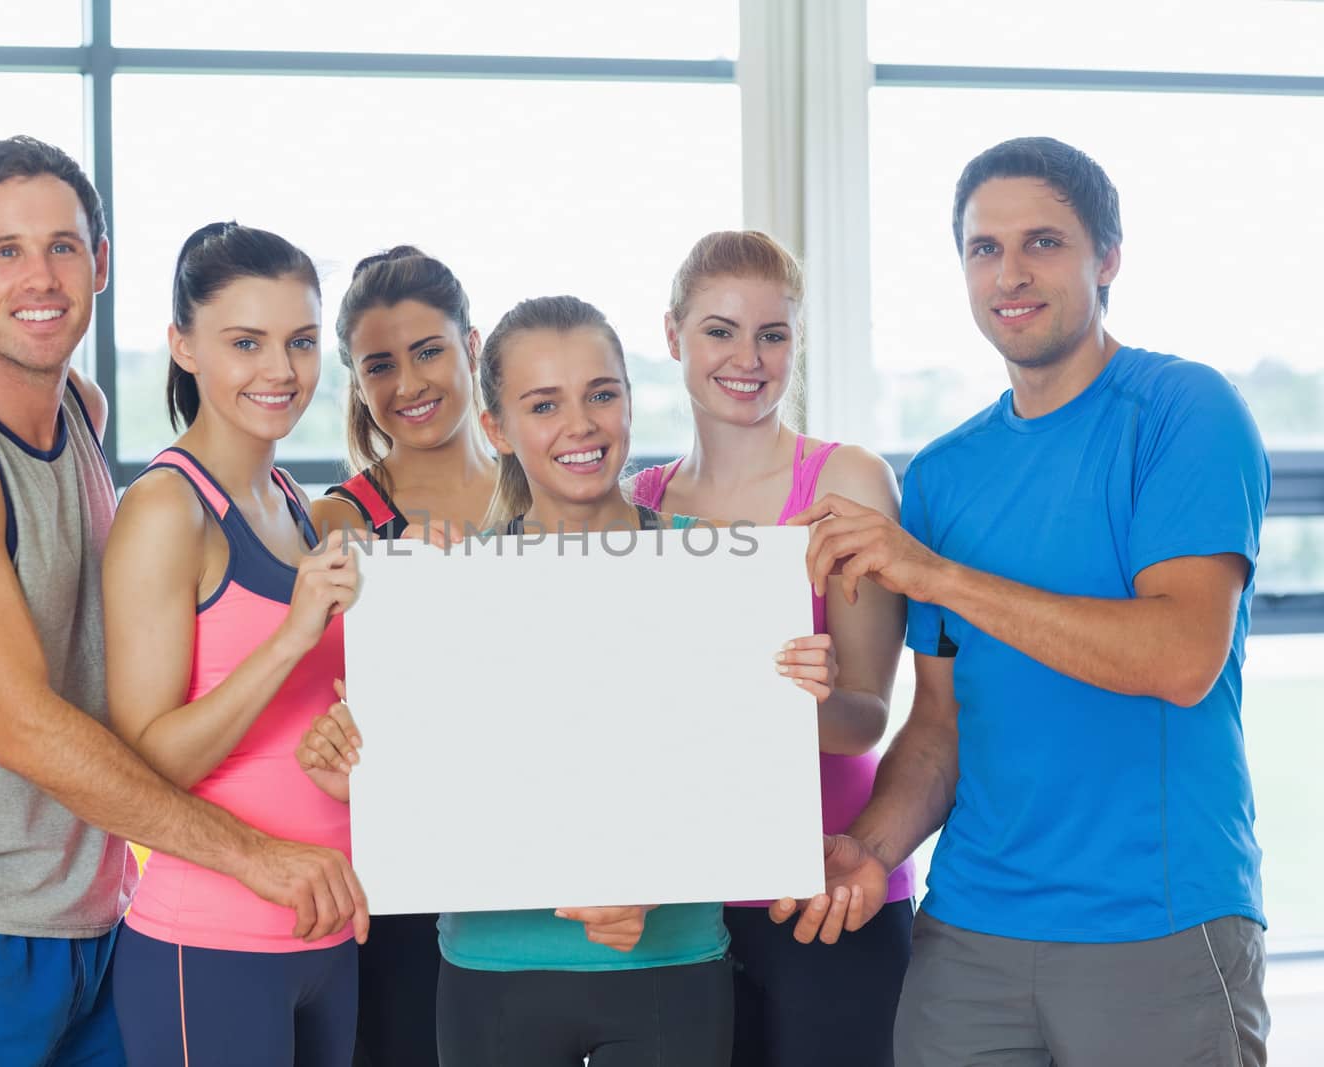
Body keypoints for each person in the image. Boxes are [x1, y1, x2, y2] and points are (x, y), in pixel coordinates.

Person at [0, 139, 363, 1066]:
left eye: (63, 247)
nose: (40, 276)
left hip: (93, 920)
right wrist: (251, 856)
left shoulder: (82, 409)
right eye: (5, 251)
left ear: (101, 263)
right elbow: (26, 729)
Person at [777, 136, 1271, 1066]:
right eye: (983, 247)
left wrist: (935, 575)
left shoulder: (1183, 410)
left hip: (1156, 926)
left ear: (1108, 257)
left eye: (1043, 242)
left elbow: (1179, 657)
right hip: (969, 935)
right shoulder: (947, 474)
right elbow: (938, 728)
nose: (1010, 271)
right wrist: (871, 847)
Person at [299, 295, 747, 1066]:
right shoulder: (450, 585)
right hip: (494, 972)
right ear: (498, 427)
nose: (581, 424)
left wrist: (796, 682)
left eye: (602, 394)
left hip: (671, 966)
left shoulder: (710, 563)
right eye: (545, 404)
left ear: (631, 403)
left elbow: (739, 770)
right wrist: (358, 773)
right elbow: (437, 780)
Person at [629, 230, 912, 1067]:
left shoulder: (847, 484)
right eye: (719, 330)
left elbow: (865, 717)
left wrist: (794, 692)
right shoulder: (634, 504)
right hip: (686, 903)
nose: (747, 357)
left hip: (825, 886)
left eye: (772, 334)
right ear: (674, 335)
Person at [103, 222, 368, 1066]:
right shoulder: (165, 510)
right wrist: (294, 635)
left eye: (299, 341)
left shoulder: (294, 501)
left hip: (329, 934)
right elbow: (148, 761)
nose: (280, 370)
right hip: (209, 944)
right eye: (245, 342)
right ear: (183, 346)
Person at [310, 245, 498, 1066]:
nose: (409, 384)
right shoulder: (337, 522)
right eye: (379, 365)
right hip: (402, 880)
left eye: (429, 351)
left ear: (473, 345)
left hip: (535, 864)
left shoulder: (551, 491)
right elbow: (329, 704)